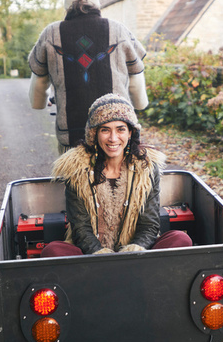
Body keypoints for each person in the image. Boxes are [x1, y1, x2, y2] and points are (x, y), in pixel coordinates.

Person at [40, 93, 192, 257]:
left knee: (180, 238)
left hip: (137, 256)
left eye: (120, 129)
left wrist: (134, 252)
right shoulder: (76, 169)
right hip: (90, 256)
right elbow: (80, 227)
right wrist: (100, 255)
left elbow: (149, 224)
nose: (113, 138)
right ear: (94, 134)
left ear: (130, 133)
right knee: (52, 250)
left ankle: (135, 269)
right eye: (105, 130)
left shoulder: (146, 168)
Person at [28, 0, 148, 152]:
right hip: (115, 135)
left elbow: (39, 82)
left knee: (73, 176)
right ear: (96, 2)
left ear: (66, 4)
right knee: (119, 176)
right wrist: (140, 105)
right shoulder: (119, 31)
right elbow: (136, 78)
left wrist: (39, 103)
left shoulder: (50, 34)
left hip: (71, 135)